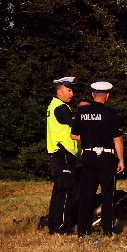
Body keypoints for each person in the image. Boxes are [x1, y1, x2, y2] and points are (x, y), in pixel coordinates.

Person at [72, 81, 125, 237]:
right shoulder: (110, 113)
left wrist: (89, 138)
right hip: (105, 157)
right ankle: (107, 230)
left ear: (92, 95)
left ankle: (83, 230)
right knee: (107, 194)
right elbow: (117, 138)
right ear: (107, 96)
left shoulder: (82, 113)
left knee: (86, 194)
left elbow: (73, 135)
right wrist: (121, 160)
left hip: (87, 156)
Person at [45, 76, 80, 234]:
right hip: (64, 152)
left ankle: (54, 225)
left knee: (59, 190)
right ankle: (62, 227)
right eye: (69, 90)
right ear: (59, 92)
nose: (72, 94)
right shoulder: (61, 107)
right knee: (67, 191)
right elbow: (76, 125)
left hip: (59, 153)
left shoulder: (54, 105)